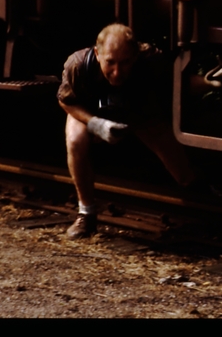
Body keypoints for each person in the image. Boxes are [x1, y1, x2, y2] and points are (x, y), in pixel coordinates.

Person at [58, 23, 201, 239]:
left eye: (125, 63)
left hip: (136, 110)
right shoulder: (77, 64)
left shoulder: (151, 59)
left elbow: (178, 84)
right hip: (91, 112)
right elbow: (66, 101)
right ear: (97, 54)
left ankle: (201, 198)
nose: (117, 72)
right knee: (75, 140)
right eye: (110, 62)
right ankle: (86, 213)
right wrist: (96, 124)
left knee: (181, 170)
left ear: (135, 56)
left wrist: (211, 83)